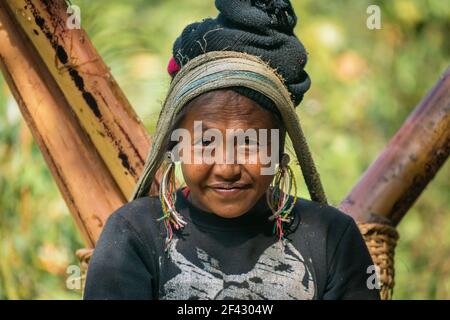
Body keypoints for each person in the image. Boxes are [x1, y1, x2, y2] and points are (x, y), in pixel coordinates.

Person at [84, 0, 380, 300]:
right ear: (175, 145)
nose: (227, 169)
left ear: (279, 151)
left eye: (250, 144)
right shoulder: (133, 234)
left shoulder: (331, 238)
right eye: (206, 143)